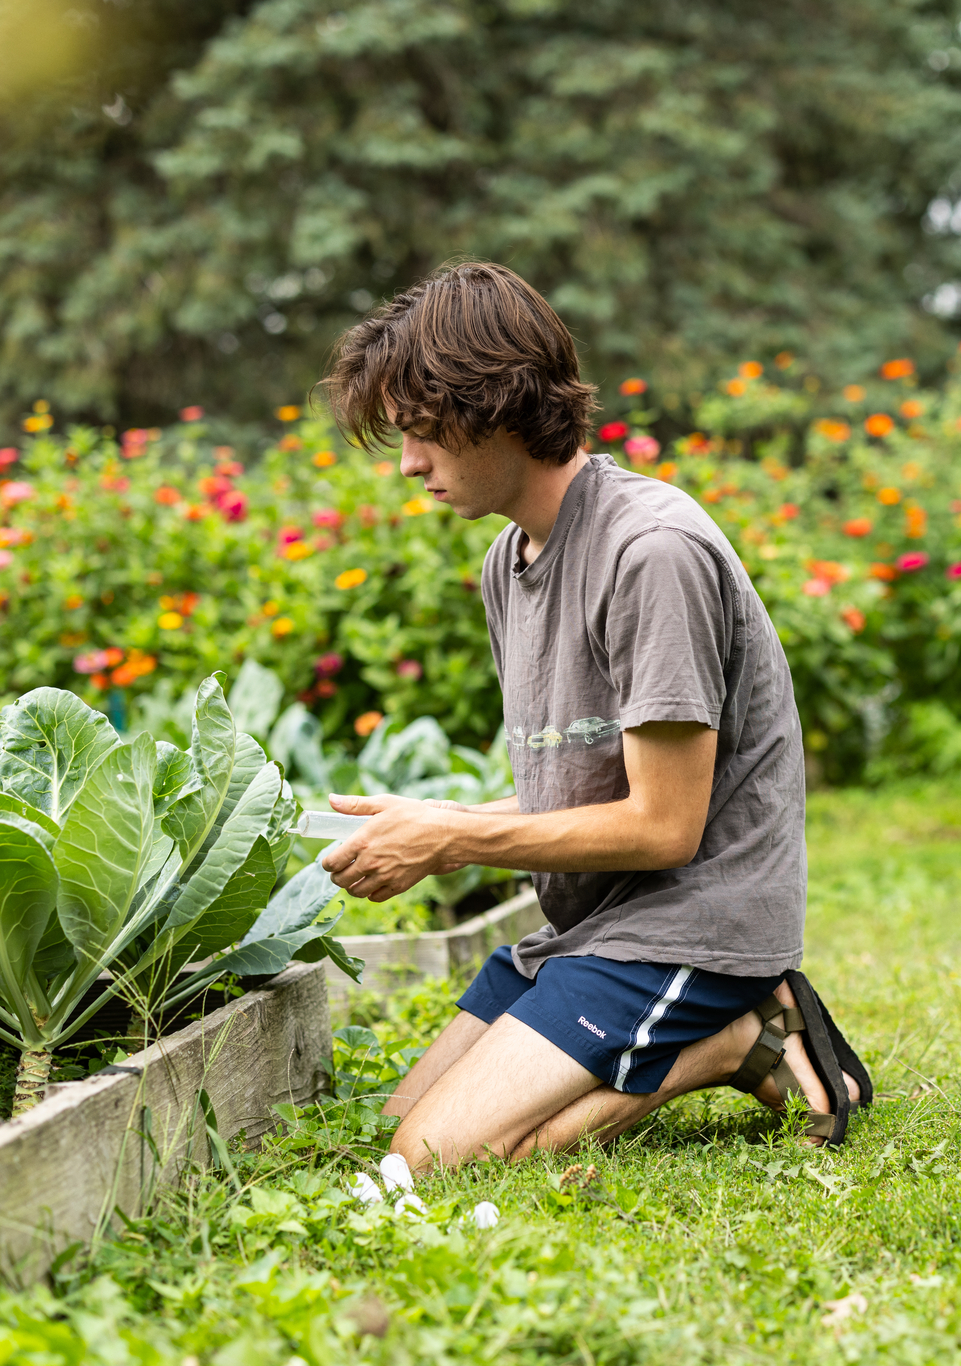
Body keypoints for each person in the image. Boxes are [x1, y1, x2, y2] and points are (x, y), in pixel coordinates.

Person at [314, 261, 868, 1174]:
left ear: (493, 404)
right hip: (596, 927)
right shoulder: (509, 559)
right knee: (402, 1123)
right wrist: (431, 824)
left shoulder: (651, 552)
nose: (410, 465)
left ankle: (739, 1036)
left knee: (432, 1159)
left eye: (422, 434)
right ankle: (719, 1035)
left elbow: (664, 827)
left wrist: (454, 842)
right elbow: (574, 789)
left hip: (695, 920)